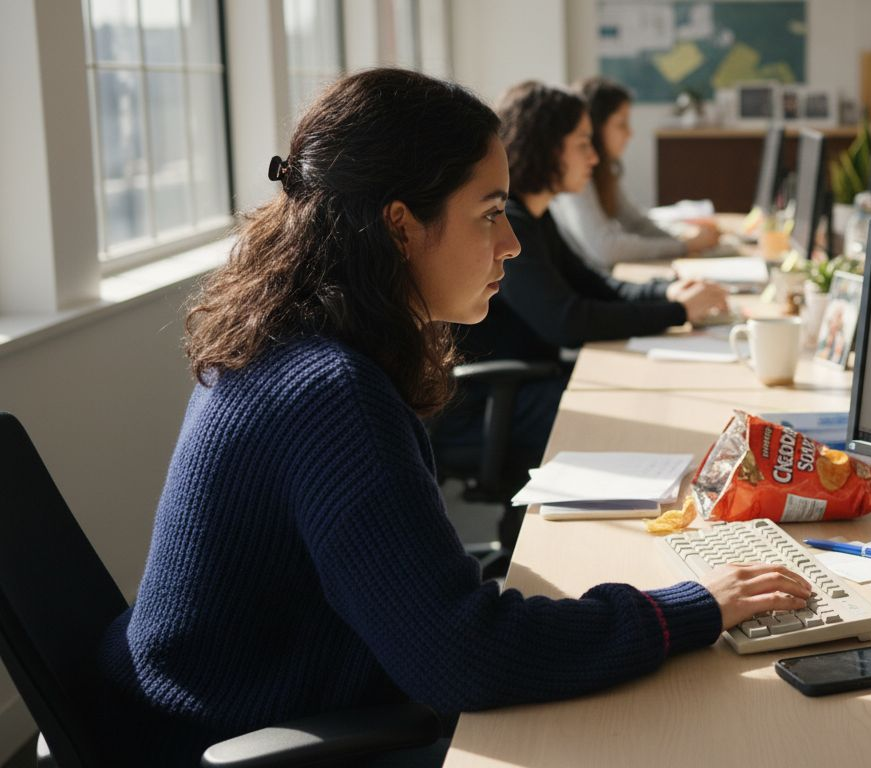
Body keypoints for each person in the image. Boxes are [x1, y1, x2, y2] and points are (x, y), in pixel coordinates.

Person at [95, 69, 808, 767]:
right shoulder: (329, 392)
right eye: (490, 213)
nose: (512, 243)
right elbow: (461, 657)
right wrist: (686, 609)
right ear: (401, 226)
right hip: (226, 739)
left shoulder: (298, 343)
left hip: (228, 705)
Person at [433, 81, 729, 527]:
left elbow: (595, 286)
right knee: (635, 423)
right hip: (491, 403)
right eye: (582, 144)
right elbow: (566, 321)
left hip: (529, 384)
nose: (595, 157)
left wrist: (670, 293)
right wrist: (676, 312)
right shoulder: (510, 222)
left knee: (649, 410)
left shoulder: (536, 217)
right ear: (548, 146)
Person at [549, 76, 720, 272]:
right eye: (621, 124)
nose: (629, 133)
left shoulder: (604, 171)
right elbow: (605, 248)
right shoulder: (575, 175)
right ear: (596, 127)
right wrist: (683, 246)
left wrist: (684, 239)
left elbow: (634, 221)